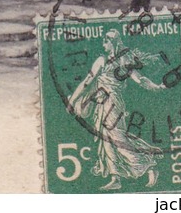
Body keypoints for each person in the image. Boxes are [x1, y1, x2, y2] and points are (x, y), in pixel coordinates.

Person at [68, 29, 165, 190]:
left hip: (114, 103)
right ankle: (115, 178)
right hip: (101, 103)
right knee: (105, 137)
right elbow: (87, 81)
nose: (103, 44)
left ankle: (148, 164)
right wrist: (72, 100)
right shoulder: (101, 60)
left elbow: (139, 79)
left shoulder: (124, 60)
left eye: (106, 41)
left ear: (112, 42)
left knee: (117, 138)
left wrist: (156, 87)